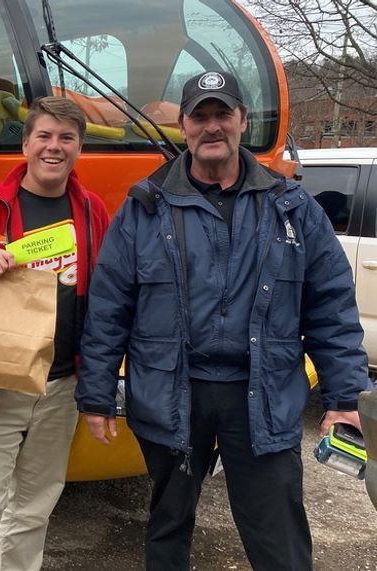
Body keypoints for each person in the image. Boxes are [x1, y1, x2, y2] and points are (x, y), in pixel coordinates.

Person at [76, 70, 371, 570]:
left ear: (242, 121)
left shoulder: (293, 209)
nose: (211, 127)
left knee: (278, 534)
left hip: (262, 393)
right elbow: (109, 308)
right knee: (168, 526)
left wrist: (344, 398)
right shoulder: (144, 208)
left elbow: (332, 311)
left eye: (222, 114)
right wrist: (97, 394)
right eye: (200, 116)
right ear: (185, 127)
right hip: (173, 391)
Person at [0, 96, 110, 570]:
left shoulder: (92, 211)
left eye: (66, 138)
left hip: (62, 386)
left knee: (34, 508)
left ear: (79, 148)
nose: (55, 147)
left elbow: (108, 292)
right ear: (26, 144)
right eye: (45, 136)